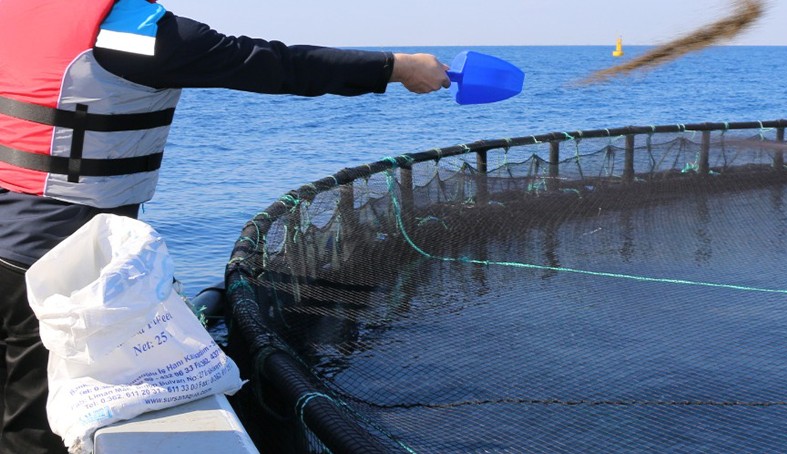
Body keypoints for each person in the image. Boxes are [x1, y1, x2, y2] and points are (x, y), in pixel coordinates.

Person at [0, 0, 450, 452]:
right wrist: (397, 67)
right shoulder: (130, 33)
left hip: (10, 233)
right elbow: (272, 65)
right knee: (38, 416)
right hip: (56, 256)